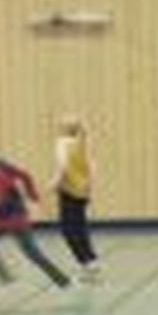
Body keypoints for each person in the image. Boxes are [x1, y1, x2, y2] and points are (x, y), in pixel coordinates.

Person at [0, 135, 71, 288]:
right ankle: (60, 280)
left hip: (12, 220)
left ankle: (59, 280)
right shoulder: (0, 163)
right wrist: (32, 194)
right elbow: (25, 176)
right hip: (9, 217)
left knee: (29, 253)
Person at [50, 114, 101, 279]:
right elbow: (92, 166)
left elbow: (63, 165)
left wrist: (55, 182)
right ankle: (91, 261)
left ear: (65, 129)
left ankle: (85, 261)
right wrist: (89, 184)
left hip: (69, 190)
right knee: (80, 226)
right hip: (83, 191)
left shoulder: (62, 143)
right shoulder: (82, 143)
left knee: (68, 229)